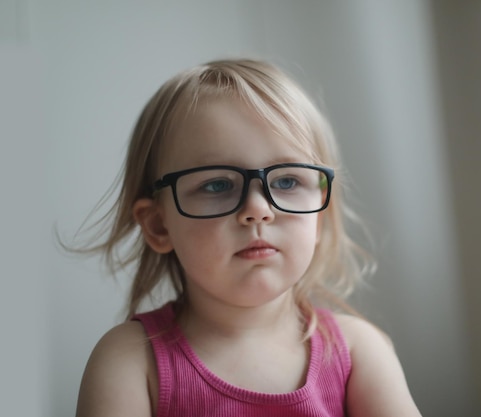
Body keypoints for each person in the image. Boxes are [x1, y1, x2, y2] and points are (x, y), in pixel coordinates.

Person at [74, 58, 422, 416]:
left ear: (320, 215)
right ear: (159, 226)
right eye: (218, 184)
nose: (258, 209)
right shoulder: (130, 360)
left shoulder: (359, 351)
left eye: (287, 181)